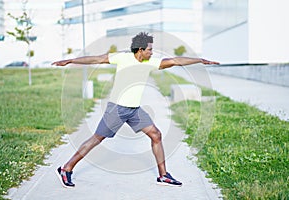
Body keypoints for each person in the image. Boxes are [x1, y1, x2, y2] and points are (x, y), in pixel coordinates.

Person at [52, 32, 219, 188]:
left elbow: (175, 60)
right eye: (150, 49)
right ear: (140, 50)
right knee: (96, 139)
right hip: (117, 109)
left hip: (134, 111)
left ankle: (163, 175)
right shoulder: (122, 58)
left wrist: (200, 60)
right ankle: (66, 168)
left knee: (156, 135)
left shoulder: (150, 63)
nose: (152, 52)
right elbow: (97, 59)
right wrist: (71, 61)